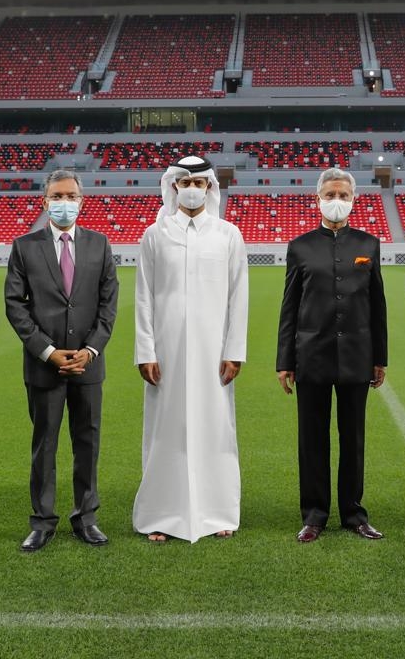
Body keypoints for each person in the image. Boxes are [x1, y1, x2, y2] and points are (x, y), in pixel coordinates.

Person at [133, 156, 248, 543]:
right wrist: (145, 351)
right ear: (174, 186)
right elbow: (144, 297)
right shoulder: (155, 234)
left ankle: (217, 511)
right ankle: (162, 515)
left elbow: (239, 297)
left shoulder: (228, 234)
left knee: (215, 427)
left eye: (200, 182)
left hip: (214, 353)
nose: (193, 189)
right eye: (186, 182)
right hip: (165, 351)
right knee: (167, 429)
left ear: (211, 188)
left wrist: (235, 350)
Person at [4, 169, 119, 553]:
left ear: (81, 200)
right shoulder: (24, 246)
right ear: (44, 200)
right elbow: (14, 306)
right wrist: (50, 352)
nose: (64, 202)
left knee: (87, 443)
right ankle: (42, 521)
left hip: (88, 365)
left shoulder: (100, 245)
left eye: (71, 195)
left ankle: (86, 517)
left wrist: (89, 350)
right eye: (57, 195)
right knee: (45, 445)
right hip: (44, 366)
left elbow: (108, 307)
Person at [277, 167, 388, 543]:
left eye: (343, 195)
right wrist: (284, 361)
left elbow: (378, 306)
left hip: (357, 355)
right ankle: (314, 514)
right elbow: (289, 307)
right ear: (318, 199)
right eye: (330, 194)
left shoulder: (369, 244)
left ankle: (354, 514)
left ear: (353, 200)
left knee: (353, 438)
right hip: (311, 355)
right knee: (312, 439)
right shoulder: (300, 246)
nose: (336, 201)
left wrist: (380, 358)